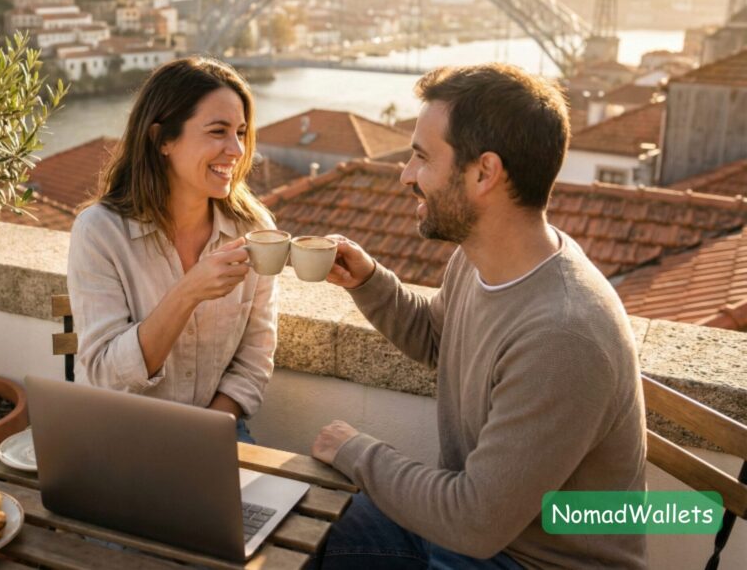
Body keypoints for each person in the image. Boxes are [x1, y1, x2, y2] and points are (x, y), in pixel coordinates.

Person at [309, 64, 647, 568]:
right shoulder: (481, 257)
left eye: (422, 158)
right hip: (477, 539)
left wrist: (356, 451)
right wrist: (368, 281)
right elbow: (438, 338)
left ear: (484, 173)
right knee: (308, 527)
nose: (406, 174)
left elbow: (474, 521)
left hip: (519, 558)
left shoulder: (563, 333)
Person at [66, 57, 277, 443]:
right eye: (218, 131)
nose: (237, 150)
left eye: (242, 133)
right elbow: (105, 375)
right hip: (119, 433)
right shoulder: (99, 232)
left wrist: (205, 432)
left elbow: (254, 357)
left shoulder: (256, 230)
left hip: (216, 429)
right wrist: (189, 291)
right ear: (163, 139)